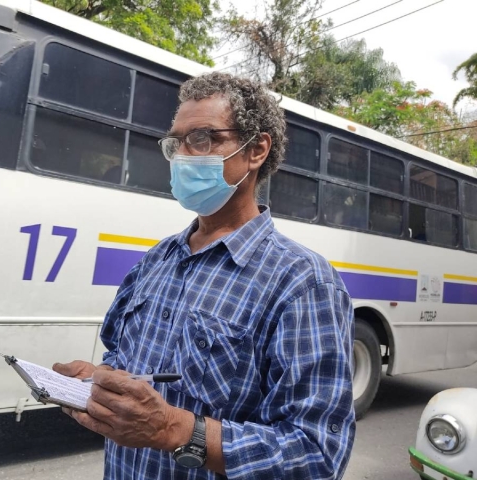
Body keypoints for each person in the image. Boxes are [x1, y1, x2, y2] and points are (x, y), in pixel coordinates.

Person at [54, 72, 355, 479]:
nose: (182, 155)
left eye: (202, 139)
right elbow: (124, 363)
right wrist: (99, 382)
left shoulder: (302, 282)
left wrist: (172, 429)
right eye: (176, 142)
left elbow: (317, 454)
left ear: (256, 150)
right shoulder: (157, 260)